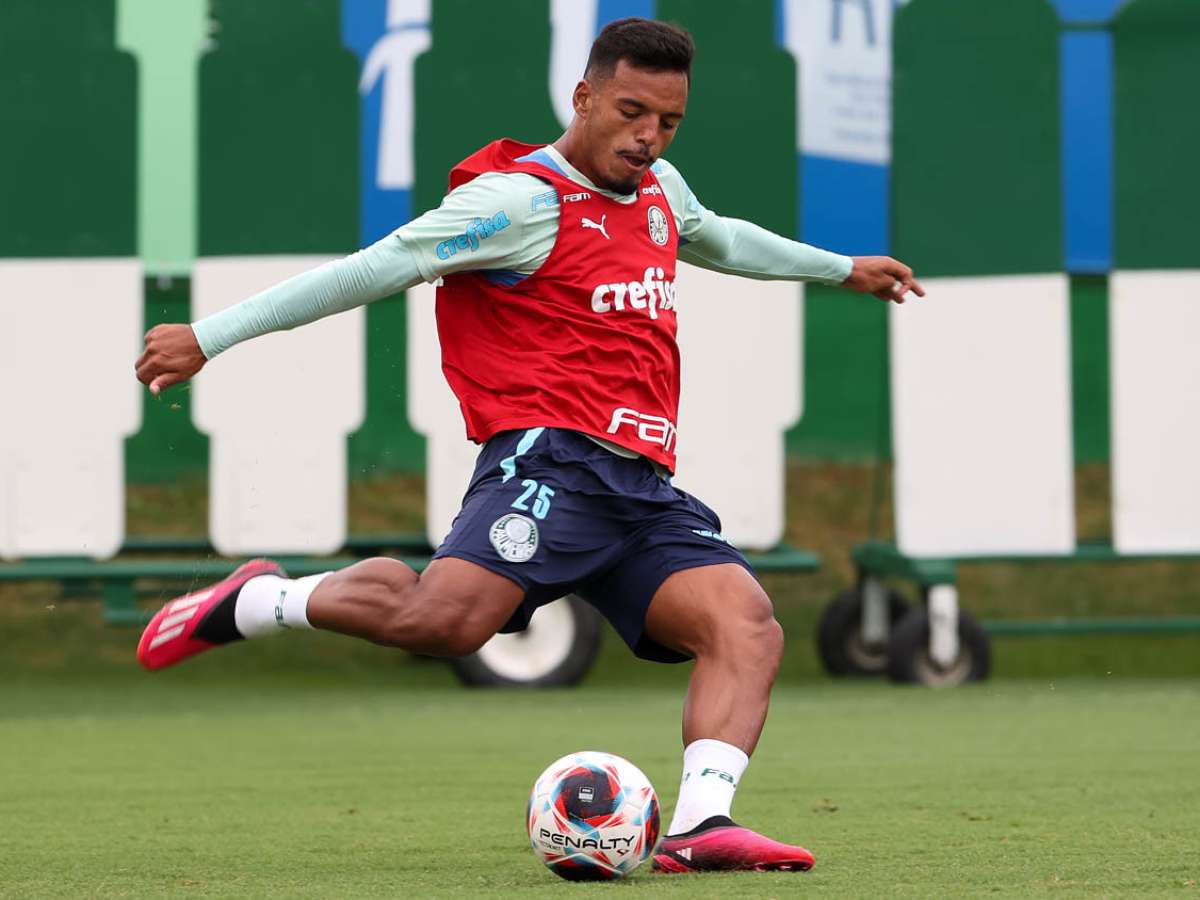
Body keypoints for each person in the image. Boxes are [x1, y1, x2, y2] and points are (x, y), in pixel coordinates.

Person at [134, 17, 922, 875]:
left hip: (640, 487)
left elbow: (720, 236)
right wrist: (209, 336)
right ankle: (260, 600)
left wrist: (840, 267)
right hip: (551, 463)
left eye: (668, 121)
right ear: (583, 97)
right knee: (444, 623)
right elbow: (370, 268)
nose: (649, 137)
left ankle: (702, 825)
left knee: (747, 626)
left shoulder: (659, 189)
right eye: (631, 112)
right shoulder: (518, 203)